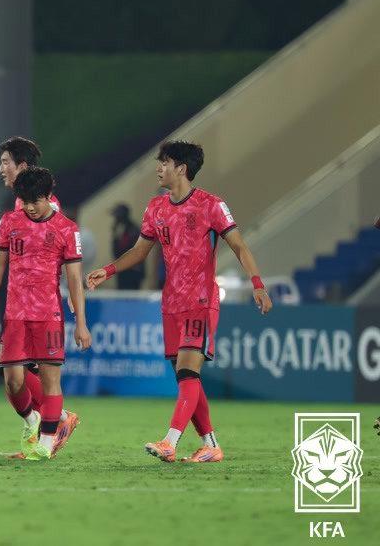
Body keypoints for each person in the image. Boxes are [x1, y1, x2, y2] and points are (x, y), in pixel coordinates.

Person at [87, 141, 273, 463]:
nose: (158, 167)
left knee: (188, 371)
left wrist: (257, 283)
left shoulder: (211, 206)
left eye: (164, 162)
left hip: (201, 299)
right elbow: (140, 251)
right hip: (171, 303)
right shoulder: (155, 208)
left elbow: (240, 246)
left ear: (182, 169)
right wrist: (108, 269)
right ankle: (211, 445)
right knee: (187, 377)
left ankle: (170, 442)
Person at [0, 167, 90, 460]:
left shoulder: (67, 228)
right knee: (12, 381)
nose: (30, 207)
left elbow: (74, 279)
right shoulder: (10, 221)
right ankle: (33, 423)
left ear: (48, 197)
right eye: (25, 201)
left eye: (36, 201)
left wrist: (81, 323)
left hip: (48, 315)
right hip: (15, 315)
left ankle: (45, 443)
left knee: (49, 380)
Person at [110, 203, 144, 290]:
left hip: (132, 272)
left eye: (117, 216)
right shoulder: (121, 229)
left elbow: (125, 250)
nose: (115, 219)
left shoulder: (132, 230)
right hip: (122, 270)